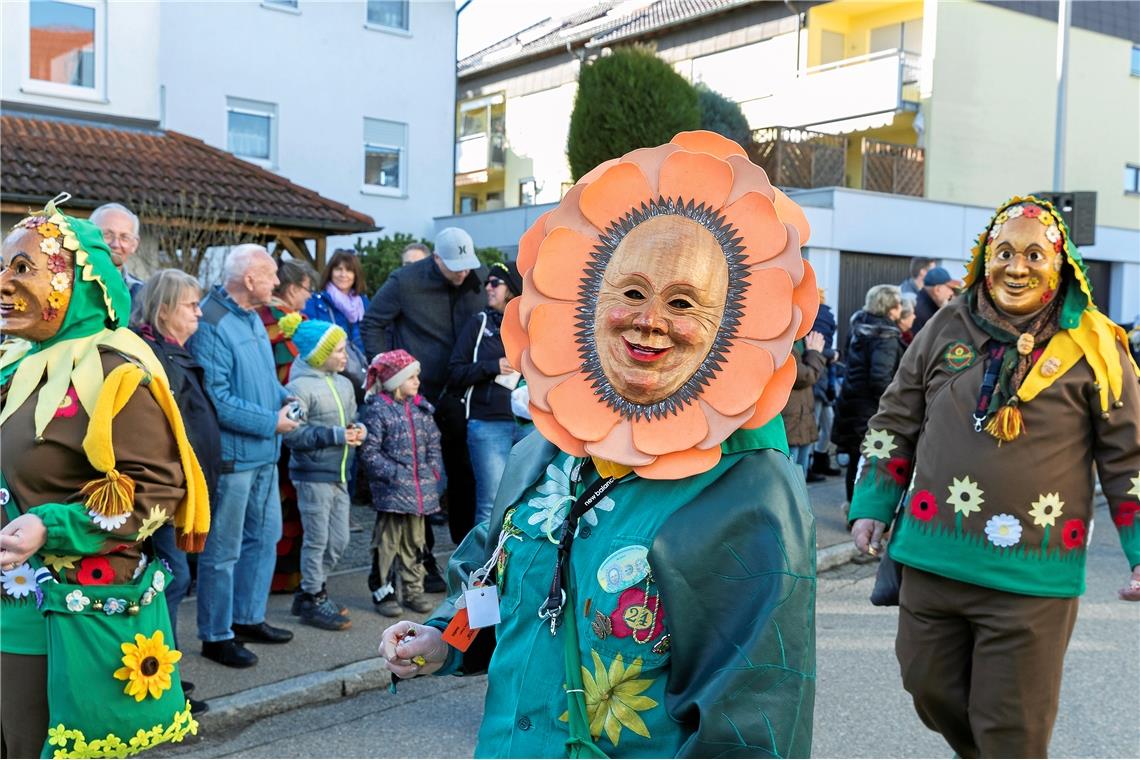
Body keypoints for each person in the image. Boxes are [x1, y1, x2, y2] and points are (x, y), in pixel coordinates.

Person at [377, 131, 817, 757]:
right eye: (632, 292)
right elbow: (489, 579)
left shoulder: (749, 490)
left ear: (737, 321)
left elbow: (754, 724)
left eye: (684, 301)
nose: (649, 320)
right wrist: (439, 640)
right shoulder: (545, 451)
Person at [848, 195, 1140, 758]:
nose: (1017, 266)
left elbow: (1130, 458)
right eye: (1004, 251)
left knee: (1012, 729)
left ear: (1062, 264)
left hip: (1032, 578)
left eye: (1035, 253)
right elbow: (895, 419)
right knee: (927, 688)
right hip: (933, 559)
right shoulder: (946, 325)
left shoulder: (1099, 347)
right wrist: (872, 503)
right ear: (985, 256)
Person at [1, 200, 208, 756]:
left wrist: (52, 525)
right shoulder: (14, 364)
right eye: (2, 267)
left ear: (79, 280)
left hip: (59, 620)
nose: (3, 284)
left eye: (24, 269)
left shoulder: (115, 374)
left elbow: (158, 493)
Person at [189, 244, 298, 668]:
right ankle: (215, 635)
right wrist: (271, 421)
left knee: (265, 538)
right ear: (250, 279)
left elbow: (263, 381)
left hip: (265, 455)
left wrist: (285, 399)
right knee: (223, 551)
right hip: (236, 459)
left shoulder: (252, 316)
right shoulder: (212, 321)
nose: (277, 283)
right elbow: (215, 398)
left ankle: (248, 618)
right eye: (271, 275)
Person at [361, 227, 486, 585]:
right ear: (435, 260)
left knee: (464, 477)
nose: (463, 273)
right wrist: (387, 371)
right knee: (421, 479)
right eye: (454, 267)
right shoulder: (405, 281)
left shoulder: (476, 279)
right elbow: (373, 322)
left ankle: (465, 557)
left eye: (467, 265)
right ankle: (422, 558)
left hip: (463, 393)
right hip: (419, 395)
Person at [133, 268, 222, 716]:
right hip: (168, 490)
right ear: (165, 309)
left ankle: (163, 671)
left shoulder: (173, 351)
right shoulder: (154, 356)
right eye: (191, 305)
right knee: (171, 578)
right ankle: (159, 679)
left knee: (175, 577)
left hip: (185, 486)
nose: (199, 312)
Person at [280, 319, 364, 630]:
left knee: (339, 540)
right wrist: (335, 435)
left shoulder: (344, 383)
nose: (346, 356)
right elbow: (292, 434)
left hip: (340, 473)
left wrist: (359, 430)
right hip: (313, 475)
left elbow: (354, 418)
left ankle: (309, 591)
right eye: (340, 351)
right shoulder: (298, 388)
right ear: (319, 354)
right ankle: (314, 597)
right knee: (317, 540)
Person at [359, 350, 442, 617]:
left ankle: (413, 590)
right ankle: (384, 591)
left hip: (420, 493)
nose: (417, 381)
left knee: (416, 543)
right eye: (411, 376)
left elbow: (433, 445)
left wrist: (432, 472)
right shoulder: (378, 411)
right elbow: (369, 452)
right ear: (395, 381)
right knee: (387, 544)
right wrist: (396, 475)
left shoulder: (421, 408)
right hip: (393, 494)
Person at [446, 261, 528, 526]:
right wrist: (493, 367)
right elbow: (455, 372)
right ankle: (482, 566)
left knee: (527, 501)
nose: (488, 288)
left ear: (512, 289)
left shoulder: (533, 326)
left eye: (495, 283)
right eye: (486, 284)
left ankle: (513, 565)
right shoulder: (478, 324)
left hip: (530, 425)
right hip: (488, 423)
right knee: (490, 502)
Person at [258, 258, 317, 595]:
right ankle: (280, 579)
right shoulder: (280, 325)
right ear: (293, 288)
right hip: (283, 420)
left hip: (280, 420)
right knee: (283, 503)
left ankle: (280, 579)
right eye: (308, 289)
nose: (309, 297)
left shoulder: (263, 321)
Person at [832, 284, 905, 503]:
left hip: (851, 401)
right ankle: (861, 512)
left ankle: (852, 507)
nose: (901, 308)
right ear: (890, 308)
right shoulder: (886, 336)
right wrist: (894, 406)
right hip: (871, 409)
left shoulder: (859, 327)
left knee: (856, 460)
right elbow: (880, 378)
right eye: (899, 303)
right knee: (871, 460)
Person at [303, 250, 369, 358]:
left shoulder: (364, 303)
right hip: (327, 366)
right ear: (330, 272)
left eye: (349, 270)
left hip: (361, 365)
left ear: (356, 275)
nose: (343, 275)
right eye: (338, 269)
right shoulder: (315, 301)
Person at [783, 331, 827, 478]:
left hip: (802, 417)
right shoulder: (784, 343)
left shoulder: (798, 341)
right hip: (791, 421)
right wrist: (814, 353)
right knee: (792, 477)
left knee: (800, 476)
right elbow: (804, 376)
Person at [809, 288, 842, 481]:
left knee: (822, 422)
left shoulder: (816, 317)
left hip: (820, 377)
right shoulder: (824, 316)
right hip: (820, 378)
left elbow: (814, 348)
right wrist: (833, 354)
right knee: (819, 423)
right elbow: (819, 350)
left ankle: (818, 461)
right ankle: (815, 463)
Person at [90, 202, 145, 299]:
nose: (115, 244)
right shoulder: (67, 284)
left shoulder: (143, 295)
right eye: (107, 234)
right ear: (89, 236)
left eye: (124, 237)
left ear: (134, 245)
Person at [912, 265, 960, 335]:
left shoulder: (925, 303)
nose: (952, 292)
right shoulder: (923, 313)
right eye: (950, 288)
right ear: (937, 290)